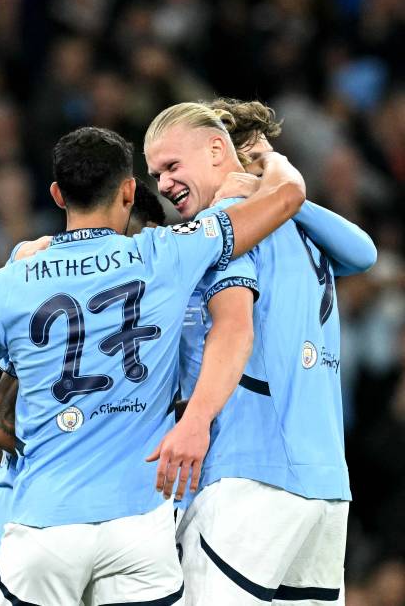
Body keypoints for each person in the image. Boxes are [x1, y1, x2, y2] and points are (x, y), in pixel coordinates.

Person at [0, 125, 306, 604]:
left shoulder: (12, 281)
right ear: (129, 190)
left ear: (58, 195)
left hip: (45, 525)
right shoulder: (165, 253)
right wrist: (269, 162)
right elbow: (288, 197)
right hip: (138, 530)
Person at [144, 101, 376, 604]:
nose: (161, 184)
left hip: (252, 475)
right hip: (326, 486)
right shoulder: (304, 229)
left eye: (170, 167)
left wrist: (195, 422)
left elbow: (234, 330)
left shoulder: (228, 225)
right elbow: (365, 252)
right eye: (155, 174)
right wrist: (278, 181)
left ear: (215, 151)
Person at [0, 181, 169, 583]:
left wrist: (20, 472)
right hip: (105, 522)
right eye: (143, 240)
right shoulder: (131, 325)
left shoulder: (21, 289)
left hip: (20, 519)